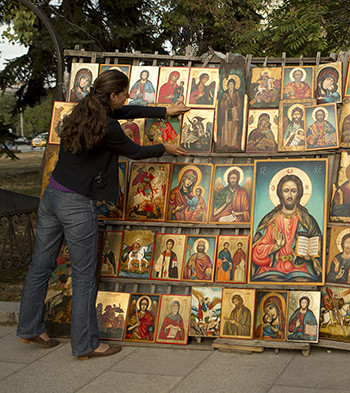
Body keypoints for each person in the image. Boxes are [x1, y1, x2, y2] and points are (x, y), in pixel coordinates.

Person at [17, 69, 188, 360]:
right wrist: (164, 147)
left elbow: (127, 110)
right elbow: (135, 151)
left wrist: (163, 110)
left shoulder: (85, 106)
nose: (128, 96)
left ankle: (29, 327)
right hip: (76, 203)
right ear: (112, 96)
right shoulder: (108, 126)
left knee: (40, 265)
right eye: (124, 93)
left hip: (52, 195)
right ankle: (86, 345)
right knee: (84, 276)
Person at [251, 174, 323, 281]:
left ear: (299, 194)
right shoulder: (271, 220)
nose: (289, 195)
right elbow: (256, 252)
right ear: (280, 194)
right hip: (272, 269)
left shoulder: (308, 221)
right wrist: (275, 246)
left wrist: (311, 257)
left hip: (300, 269)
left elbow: (319, 247)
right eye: (286, 191)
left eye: (293, 191)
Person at [217, 77, 243, 151]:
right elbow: (221, 104)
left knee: (234, 127)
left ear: (234, 86)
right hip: (226, 113)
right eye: (230, 85)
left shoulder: (236, 94)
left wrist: (236, 108)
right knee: (226, 127)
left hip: (234, 112)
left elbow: (239, 104)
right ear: (227, 85)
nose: (231, 86)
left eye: (232, 85)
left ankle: (233, 143)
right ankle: (225, 143)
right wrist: (226, 102)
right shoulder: (225, 94)